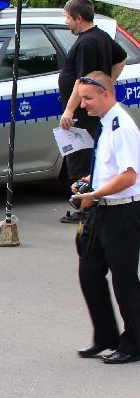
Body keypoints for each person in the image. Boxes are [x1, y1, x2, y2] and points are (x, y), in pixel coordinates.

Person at [70, 72, 140, 365]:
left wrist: (94, 194)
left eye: (87, 98)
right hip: (102, 207)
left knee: (124, 280)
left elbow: (129, 175)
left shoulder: (122, 126)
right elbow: (110, 168)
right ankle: (106, 335)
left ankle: (134, 342)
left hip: (122, 210)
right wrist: (89, 181)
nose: (83, 105)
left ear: (106, 94)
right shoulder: (105, 123)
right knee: (89, 270)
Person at [57, 0, 127, 224]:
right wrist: (106, 84)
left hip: (82, 112)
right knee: (87, 156)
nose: (66, 22)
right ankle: (88, 205)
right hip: (91, 108)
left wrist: (69, 110)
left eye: (68, 17)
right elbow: (121, 58)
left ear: (78, 18)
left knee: (80, 159)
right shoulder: (101, 36)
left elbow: (82, 80)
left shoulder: (86, 43)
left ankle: (84, 208)